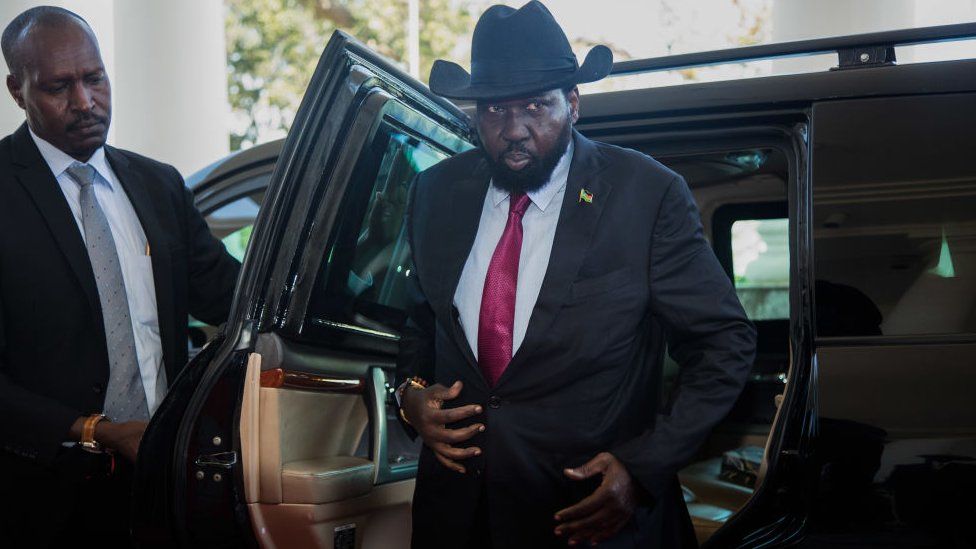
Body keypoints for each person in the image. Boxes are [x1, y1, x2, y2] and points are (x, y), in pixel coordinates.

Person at [395, 2, 757, 547]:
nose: (514, 129)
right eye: (494, 110)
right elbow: (420, 327)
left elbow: (725, 343)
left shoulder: (645, 194)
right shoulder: (435, 193)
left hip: (590, 522)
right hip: (458, 521)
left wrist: (642, 468)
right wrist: (411, 395)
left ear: (573, 104)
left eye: (536, 106)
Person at [0, 6, 240, 546]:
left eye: (94, 78)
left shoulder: (158, 186)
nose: (84, 102)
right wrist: (95, 431)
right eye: (59, 87)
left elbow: (232, 299)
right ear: (18, 90)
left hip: (162, 481)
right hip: (42, 501)